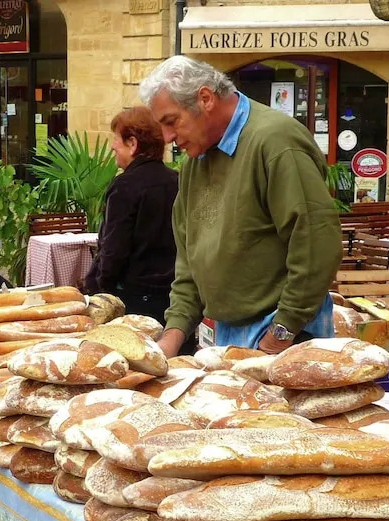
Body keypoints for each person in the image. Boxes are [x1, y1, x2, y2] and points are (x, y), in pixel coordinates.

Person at [139, 56, 343, 357]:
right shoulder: (197, 159)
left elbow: (316, 243)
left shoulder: (275, 141)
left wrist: (281, 333)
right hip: (227, 334)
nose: (167, 138)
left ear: (205, 99)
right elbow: (190, 261)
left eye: (171, 121)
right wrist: (171, 338)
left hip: (285, 335)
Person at [83, 106, 179, 326]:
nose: (112, 146)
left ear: (132, 143)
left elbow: (114, 247)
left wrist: (101, 287)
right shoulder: (178, 180)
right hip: (175, 297)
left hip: (134, 298)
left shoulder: (125, 186)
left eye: (116, 139)